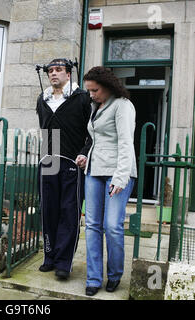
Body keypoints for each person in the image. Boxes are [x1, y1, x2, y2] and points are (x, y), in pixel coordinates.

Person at [75, 66, 137, 296]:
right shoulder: (94, 107)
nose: (91, 94)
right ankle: (93, 278)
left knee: (112, 226)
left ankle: (114, 275)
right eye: (89, 90)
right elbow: (96, 139)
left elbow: (125, 143)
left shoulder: (122, 106)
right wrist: (85, 155)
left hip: (118, 173)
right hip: (94, 170)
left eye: (95, 90)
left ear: (109, 87)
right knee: (91, 225)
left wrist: (120, 177)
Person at [36, 58, 91, 280]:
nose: (53, 74)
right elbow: (46, 129)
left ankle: (63, 262)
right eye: (50, 70)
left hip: (72, 161)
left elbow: (91, 131)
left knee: (69, 213)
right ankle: (49, 257)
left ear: (69, 74)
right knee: (49, 210)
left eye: (59, 70)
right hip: (49, 160)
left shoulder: (82, 98)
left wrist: (85, 152)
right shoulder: (43, 98)